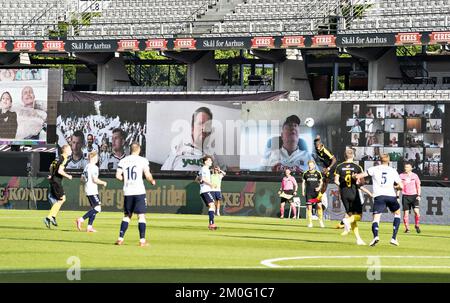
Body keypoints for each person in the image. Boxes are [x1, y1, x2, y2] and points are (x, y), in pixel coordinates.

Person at [354, 154, 404, 246]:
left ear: (380, 160)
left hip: (379, 196)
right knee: (397, 214)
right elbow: (401, 186)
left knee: (376, 218)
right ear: (389, 161)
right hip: (391, 195)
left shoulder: (374, 168)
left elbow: (360, 176)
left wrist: (355, 176)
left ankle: (376, 237)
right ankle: (393, 238)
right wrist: (395, 186)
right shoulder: (393, 170)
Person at [115, 142, 156, 246]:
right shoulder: (143, 160)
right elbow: (147, 174)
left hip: (128, 191)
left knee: (127, 216)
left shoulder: (123, 161)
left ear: (130, 149)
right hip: (139, 191)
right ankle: (142, 241)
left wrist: (126, 180)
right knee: (141, 216)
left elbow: (118, 176)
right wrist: (152, 181)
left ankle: (120, 238)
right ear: (139, 150)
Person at [161, 107, 223, 171]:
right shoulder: (178, 150)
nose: (204, 128)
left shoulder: (212, 155)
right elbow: (163, 175)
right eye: (200, 123)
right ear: (193, 127)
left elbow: (224, 173)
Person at [334, 149, 373, 245]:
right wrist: (358, 180)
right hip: (353, 192)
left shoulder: (339, 166)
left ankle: (358, 239)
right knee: (359, 216)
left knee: (351, 214)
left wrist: (341, 186)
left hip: (344, 193)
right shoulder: (357, 167)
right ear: (353, 155)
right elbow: (362, 182)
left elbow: (336, 181)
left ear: (344, 156)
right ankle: (347, 221)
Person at [76, 151, 107, 233]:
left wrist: (87, 181)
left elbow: (82, 179)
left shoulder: (87, 166)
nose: (97, 159)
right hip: (92, 190)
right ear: (93, 158)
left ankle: (89, 227)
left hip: (88, 189)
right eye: (96, 157)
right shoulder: (94, 167)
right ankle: (81, 219)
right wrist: (103, 182)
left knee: (94, 208)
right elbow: (95, 180)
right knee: (98, 208)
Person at [43, 145, 73, 228]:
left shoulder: (57, 158)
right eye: (70, 149)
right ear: (66, 150)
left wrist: (51, 175)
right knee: (62, 199)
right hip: (56, 181)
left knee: (59, 200)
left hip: (53, 180)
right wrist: (68, 176)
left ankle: (52, 217)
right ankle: (49, 217)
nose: (71, 150)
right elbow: (60, 170)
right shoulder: (64, 158)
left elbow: (51, 167)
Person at [399, 162, 421, 233]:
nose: (406, 168)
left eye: (408, 167)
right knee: (406, 213)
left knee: (416, 212)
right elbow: (399, 187)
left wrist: (419, 195)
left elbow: (418, 186)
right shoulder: (401, 175)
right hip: (405, 196)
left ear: (411, 168)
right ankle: (407, 228)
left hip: (414, 196)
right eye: (405, 167)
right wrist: (397, 196)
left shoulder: (415, 176)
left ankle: (417, 225)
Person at [197, 155, 218, 230]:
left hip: (206, 190)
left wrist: (200, 180)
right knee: (212, 206)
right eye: (210, 160)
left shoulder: (203, 169)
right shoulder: (204, 169)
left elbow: (197, 179)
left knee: (212, 206)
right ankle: (211, 224)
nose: (211, 162)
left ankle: (211, 223)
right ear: (205, 162)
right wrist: (211, 184)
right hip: (205, 190)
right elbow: (203, 179)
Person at [302, 160, 324, 228]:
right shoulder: (305, 173)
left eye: (311, 165)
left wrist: (319, 187)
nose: (310, 166)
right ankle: (310, 222)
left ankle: (320, 221)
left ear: (314, 165)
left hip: (316, 193)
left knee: (319, 206)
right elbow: (303, 183)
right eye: (309, 165)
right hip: (309, 193)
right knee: (309, 207)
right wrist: (303, 191)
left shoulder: (318, 173)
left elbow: (321, 182)